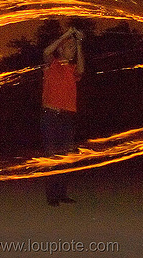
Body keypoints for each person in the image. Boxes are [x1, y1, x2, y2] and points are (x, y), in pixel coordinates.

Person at [41, 26, 84, 206]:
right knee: (52, 155)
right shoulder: (51, 64)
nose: (72, 50)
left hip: (67, 117)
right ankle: (52, 196)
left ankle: (62, 194)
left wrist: (79, 43)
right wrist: (66, 35)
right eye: (70, 47)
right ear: (61, 49)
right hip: (51, 115)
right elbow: (46, 51)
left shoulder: (72, 69)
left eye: (73, 48)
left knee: (65, 157)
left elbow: (81, 69)